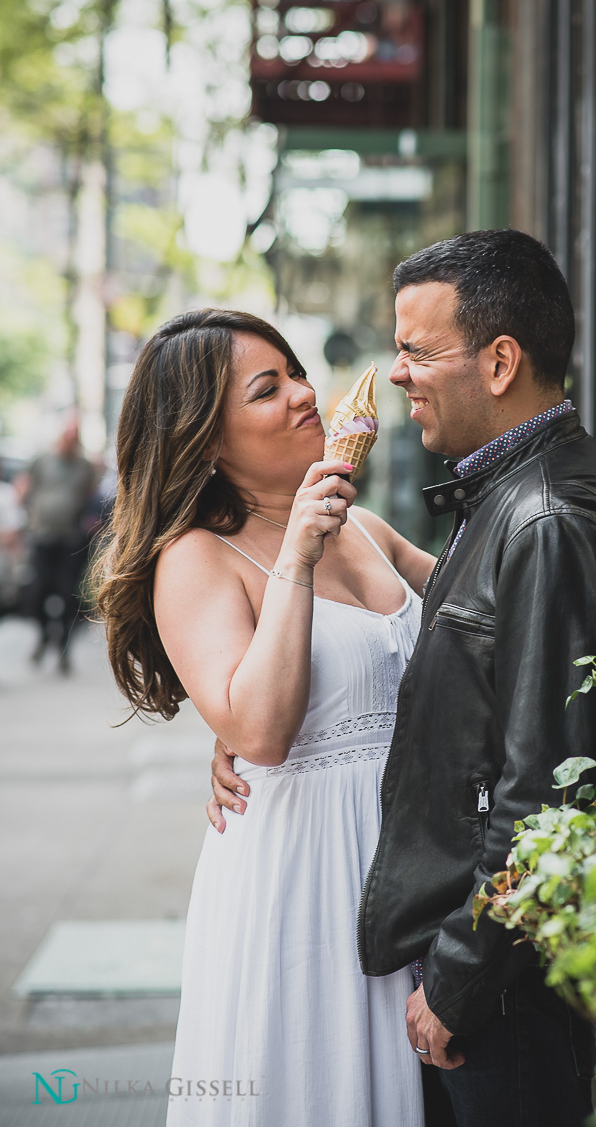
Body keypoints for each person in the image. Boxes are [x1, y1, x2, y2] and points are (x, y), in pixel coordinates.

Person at [210, 230, 596, 1127]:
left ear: (499, 363)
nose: (397, 374)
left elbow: (543, 790)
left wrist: (459, 977)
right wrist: (233, 724)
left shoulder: (540, 519)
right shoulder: (507, 491)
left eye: (417, 351)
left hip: (503, 985)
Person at [91, 309, 432, 1127]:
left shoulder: (368, 528)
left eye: (296, 372)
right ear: (208, 439)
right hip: (307, 878)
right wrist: (296, 559)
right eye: (267, 389)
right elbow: (264, 732)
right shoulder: (194, 559)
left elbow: (480, 627)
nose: (306, 395)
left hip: (409, 864)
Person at [20, 418, 97, 672]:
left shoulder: (83, 466)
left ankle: (64, 647)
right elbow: (26, 487)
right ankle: (44, 635)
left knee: (68, 593)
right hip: (42, 535)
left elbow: (90, 493)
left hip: (70, 539)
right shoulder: (42, 461)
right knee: (38, 590)